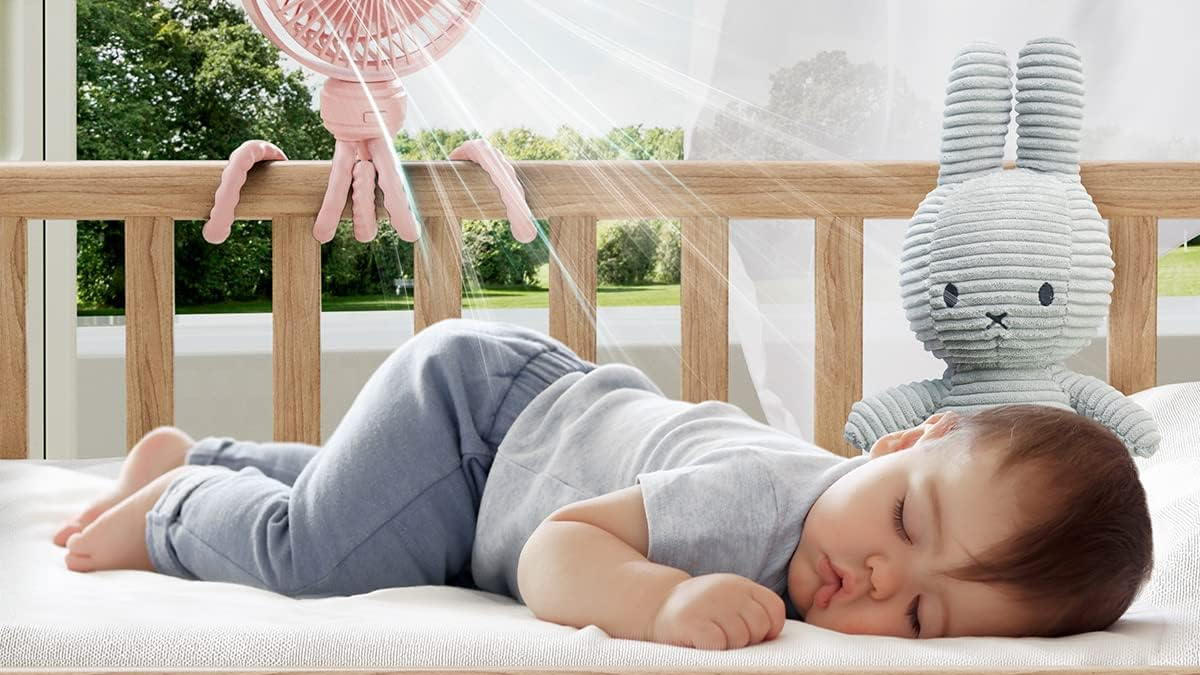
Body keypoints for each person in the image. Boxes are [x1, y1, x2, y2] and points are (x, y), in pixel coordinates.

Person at [54, 318, 1154, 649]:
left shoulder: (838, 538)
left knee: (394, 526)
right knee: (324, 556)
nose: (874, 574)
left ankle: (206, 456)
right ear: (903, 442)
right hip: (477, 421)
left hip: (493, 470)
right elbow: (554, 553)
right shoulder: (760, 498)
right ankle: (172, 509)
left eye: (920, 613)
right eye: (907, 520)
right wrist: (663, 600)